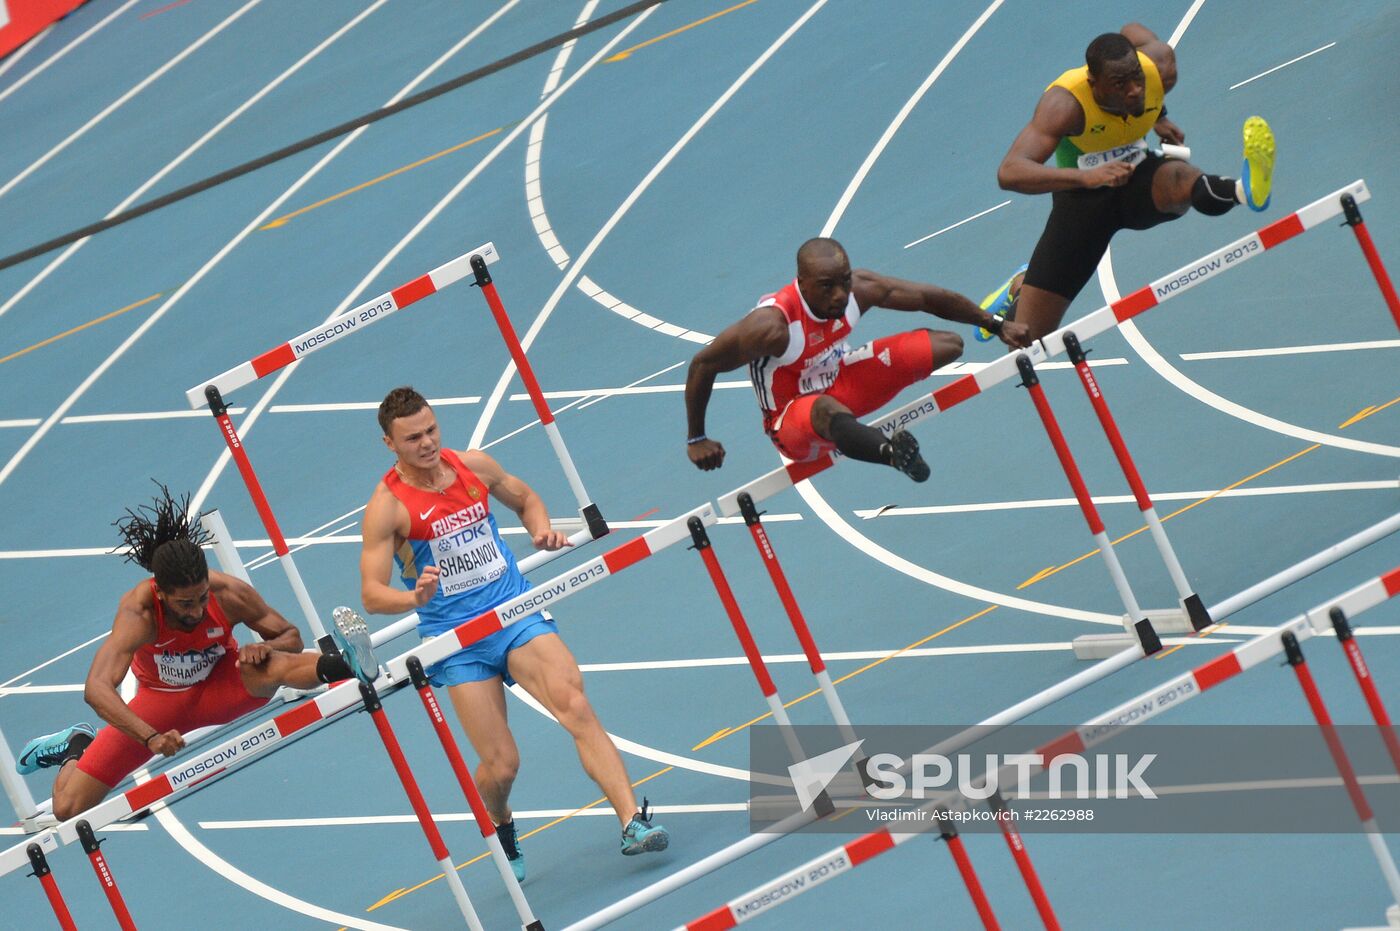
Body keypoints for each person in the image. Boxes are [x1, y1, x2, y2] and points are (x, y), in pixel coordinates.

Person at [359, 386, 668, 881]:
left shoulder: (473, 466)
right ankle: (501, 821)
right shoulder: (387, 508)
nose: (427, 443)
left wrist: (541, 528)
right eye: (413, 437)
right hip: (456, 640)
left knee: (576, 704)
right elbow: (372, 594)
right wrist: (412, 599)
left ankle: (632, 821)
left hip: (513, 612)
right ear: (389, 444)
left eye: (432, 430)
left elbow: (525, 499)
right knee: (501, 765)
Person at [16, 486, 377, 821]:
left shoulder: (229, 593)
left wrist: (263, 646)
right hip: (159, 705)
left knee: (271, 664)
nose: (197, 611)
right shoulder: (138, 613)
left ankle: (349, 663)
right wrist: (150, 737)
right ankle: (77, 743)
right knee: (68, 807)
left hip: (225, 683)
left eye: (202, 598)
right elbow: (96, 688)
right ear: (160, 593)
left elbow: (290, 635)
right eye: (185, 604)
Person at [978, 23, 1276, 342]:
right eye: (1120, 84)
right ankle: (1019, 287)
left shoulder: (1160, 67)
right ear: (1094, 84)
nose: (1134, 89)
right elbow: (1009, 171)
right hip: (1081, 201)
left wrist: (1157, 116)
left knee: (1182, 179)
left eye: (1136, 77)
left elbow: (1131, 29)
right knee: (1027, 339)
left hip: (1136, 175)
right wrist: (1086, 177)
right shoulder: (1065, 105)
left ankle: (1243, 190)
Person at [685, 237, 1031, 479]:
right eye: (826, 286)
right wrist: (697, 438)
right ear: (801, 283)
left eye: (844, 281)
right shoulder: (772, 326)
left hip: (841, 382)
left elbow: (928, 297)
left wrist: (995, 324)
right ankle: (891, 454)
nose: (839, 295)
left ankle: (849, 427)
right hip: (793, 420)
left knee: (947, 345)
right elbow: (704, 364)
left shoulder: (858, 290)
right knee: (824, 410)